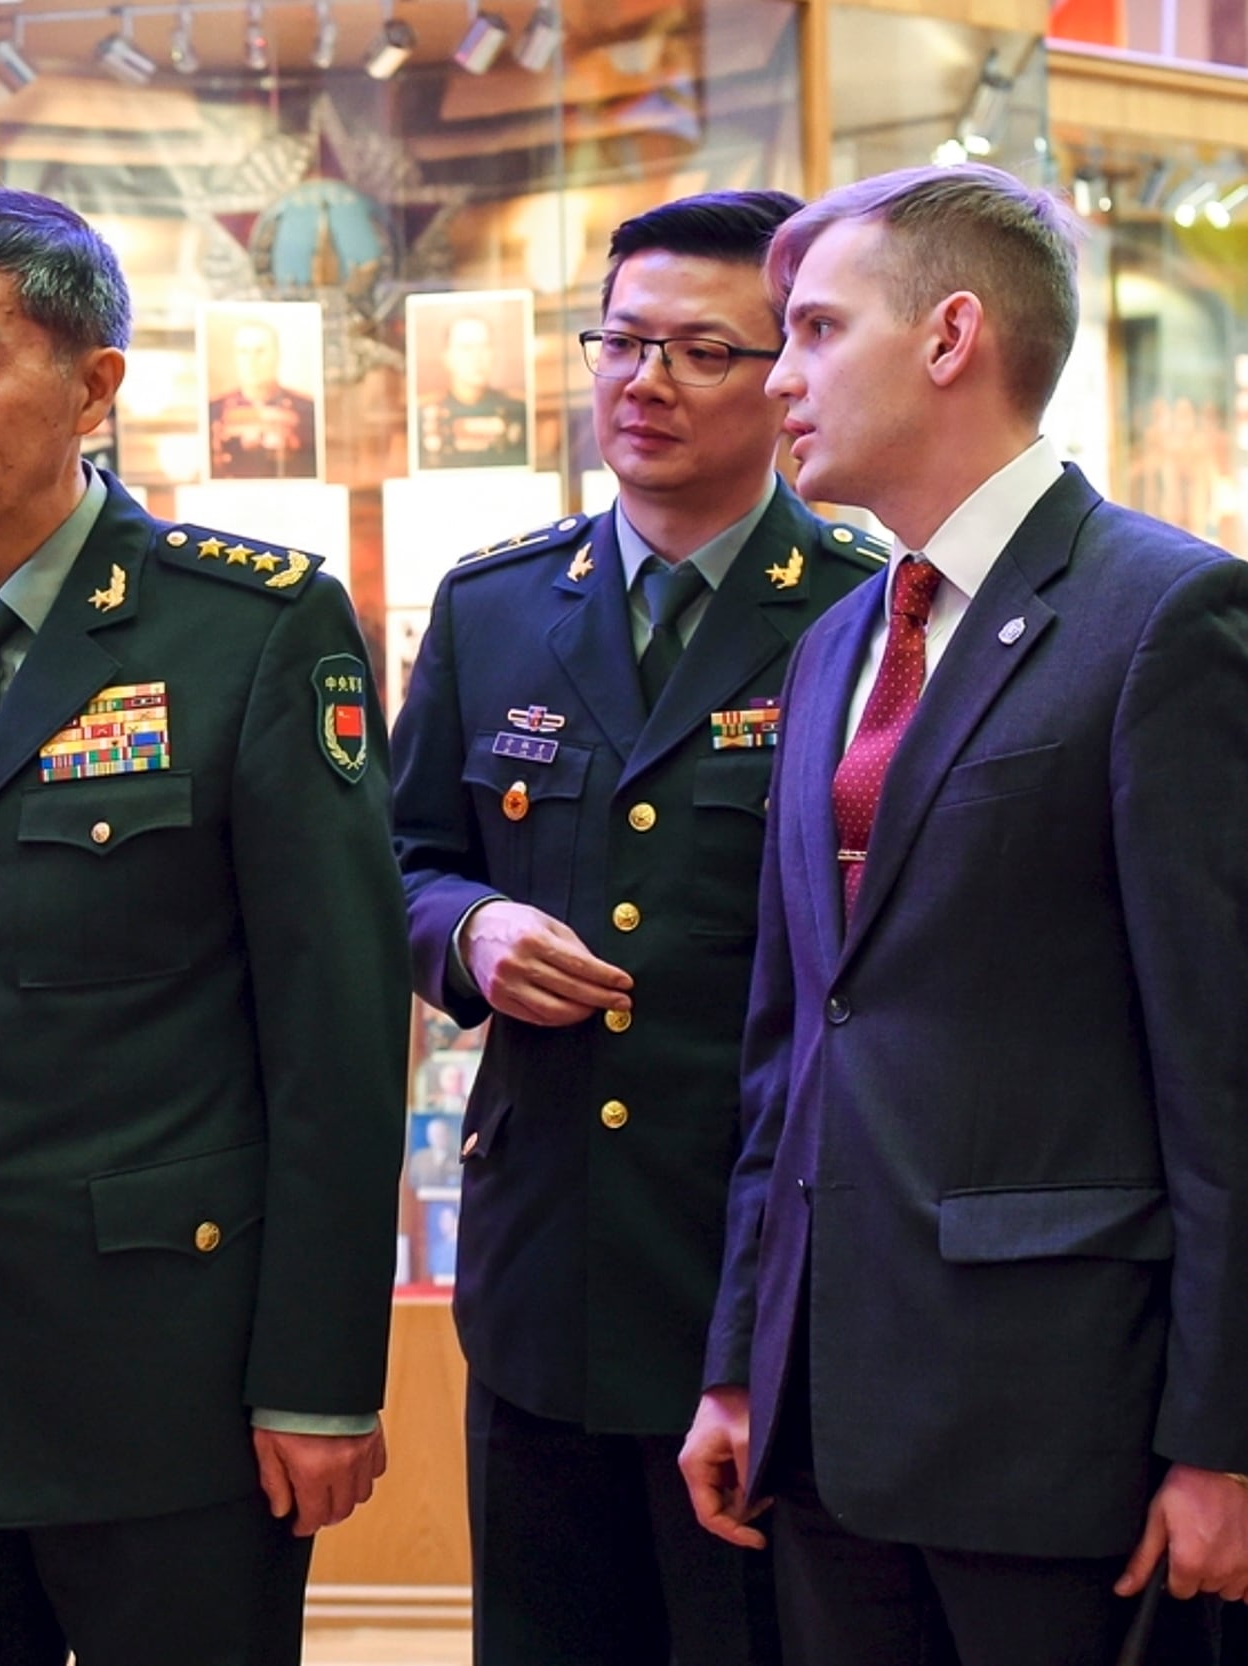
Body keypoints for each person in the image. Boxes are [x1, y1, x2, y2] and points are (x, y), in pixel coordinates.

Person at [0, 186, 409, 1666]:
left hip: (164, 1380)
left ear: (94, 385)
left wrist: (319, 1377)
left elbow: (338, 1041)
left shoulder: (248, 631)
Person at [679, 162, 1248, 1665]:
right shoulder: (831, 649)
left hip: (1065, 1428)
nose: (776, 379)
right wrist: (741, 1358)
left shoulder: (1166, 617)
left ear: (948, 338)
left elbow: (1226, 1067)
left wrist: (1225, 1437)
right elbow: (790, 1043)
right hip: (828, 1419)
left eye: (810, 331)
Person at [391, 190, 879, 1666]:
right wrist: (468, 929)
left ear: (789, 367)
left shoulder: (864, 614)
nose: (642, 381)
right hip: (548, 1260)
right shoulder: (499, 607)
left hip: (765, 1265)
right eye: (620, 340)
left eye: (701, 352)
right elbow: (400, 858)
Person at [207, 316, 320, 478]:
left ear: (277, 355)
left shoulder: (309, 410)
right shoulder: (212, 410)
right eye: (243, 352)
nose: (251, 361)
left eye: (260, 351)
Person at [417, 312, 530, 469]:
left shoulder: (518, 409)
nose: (477, 357)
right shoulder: (423, 413)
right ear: (447, 357)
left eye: (484, 347)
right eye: (466, 348)